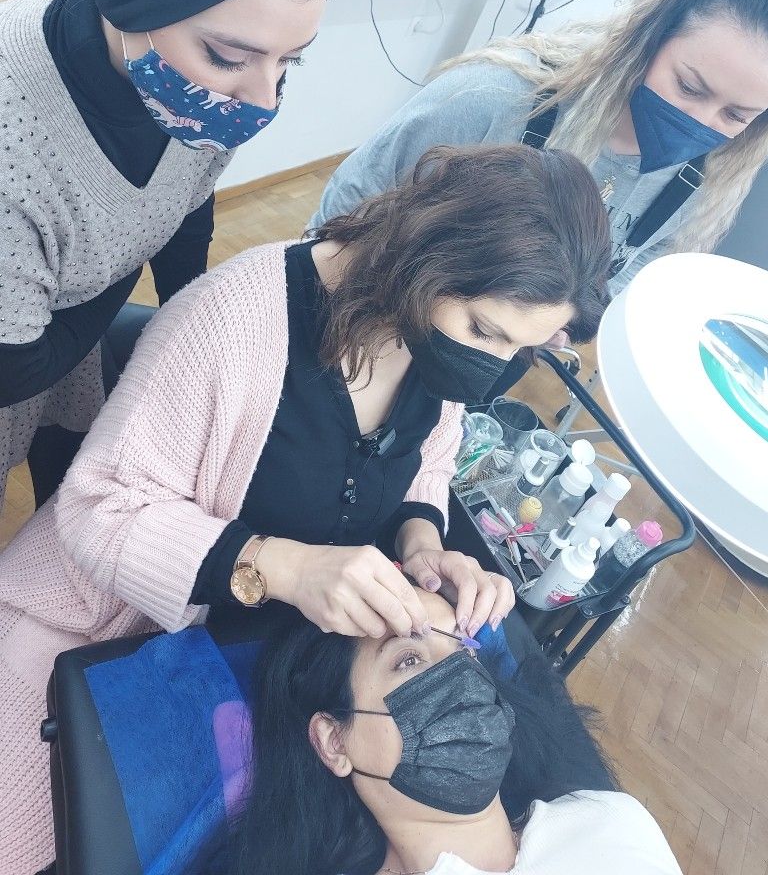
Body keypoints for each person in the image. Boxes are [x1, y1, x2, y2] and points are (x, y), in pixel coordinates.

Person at [0, 142, 611, 872]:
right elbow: (96, 508)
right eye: (486, 332)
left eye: (522, 350)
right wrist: (280, 567)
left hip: (261, 666)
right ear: (427, 258)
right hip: (104, 633)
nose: (493, 368)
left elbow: (425, 463)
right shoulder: (237, 319)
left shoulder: (432, 341)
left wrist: (422, 544)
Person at [0, 0, 344, 510]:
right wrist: (135, 299)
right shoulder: (15, 145)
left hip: (65, 346)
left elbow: (186, 196)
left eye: (291, 62)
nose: (262, 101)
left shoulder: (188, 85)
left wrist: (191, 306)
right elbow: (15, 366)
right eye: (230, 56)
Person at [311, 0, 768, 297]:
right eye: (689, 87)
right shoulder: (494, 98)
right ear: (650, 38)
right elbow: (348, 207)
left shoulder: (702, 183)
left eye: (736, 116)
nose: (699, 124)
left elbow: (640, 269)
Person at [223, 591, 682, 875]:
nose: (462, 677)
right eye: (408, 659)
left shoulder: (610, 819)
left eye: (465, 648)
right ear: (334, 742)